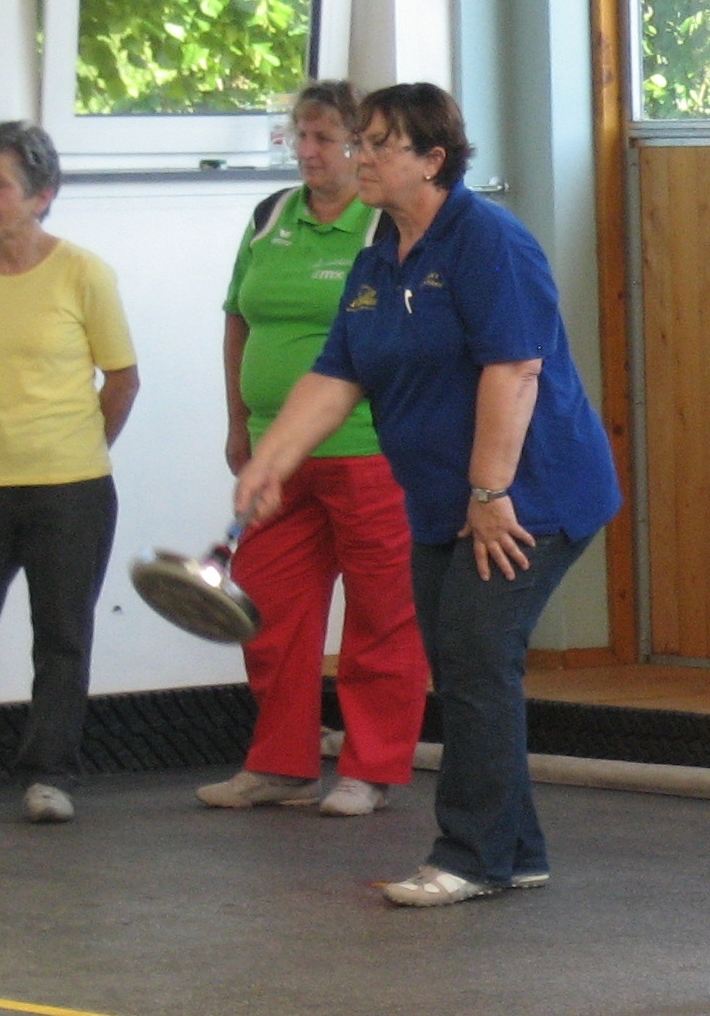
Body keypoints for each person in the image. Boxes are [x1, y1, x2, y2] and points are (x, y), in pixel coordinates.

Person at [232, 83, 622, 902]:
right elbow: (337, 373)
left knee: (477, 660)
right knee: (462, 662)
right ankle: (517, 850)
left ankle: (471, 857)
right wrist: (273, 460)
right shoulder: (380, 255)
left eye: (380, 144)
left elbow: (515, 369)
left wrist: (489, 491)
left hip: (528, 497)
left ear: (433, 159)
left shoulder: (490, 242)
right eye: (361, 142)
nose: (361, 157)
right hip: (446, 499)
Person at [196, 80, 429, 817]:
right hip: (277, 457)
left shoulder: (385, 224)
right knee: (266, 606)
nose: (307, 150)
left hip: (369, 451)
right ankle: (281, 765)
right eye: (299, 136)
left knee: (381, 616)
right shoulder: (270, 218)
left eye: (324, 138)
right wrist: (239, 424)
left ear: (360, 146)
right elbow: (238, 319)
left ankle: (370, 770)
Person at [0, 121, 139, 823]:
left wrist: (77, 446)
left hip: (71, 488)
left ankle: (49, 775)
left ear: (41, 195)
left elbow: (122, 379)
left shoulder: (83, 273)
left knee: (61, 636)